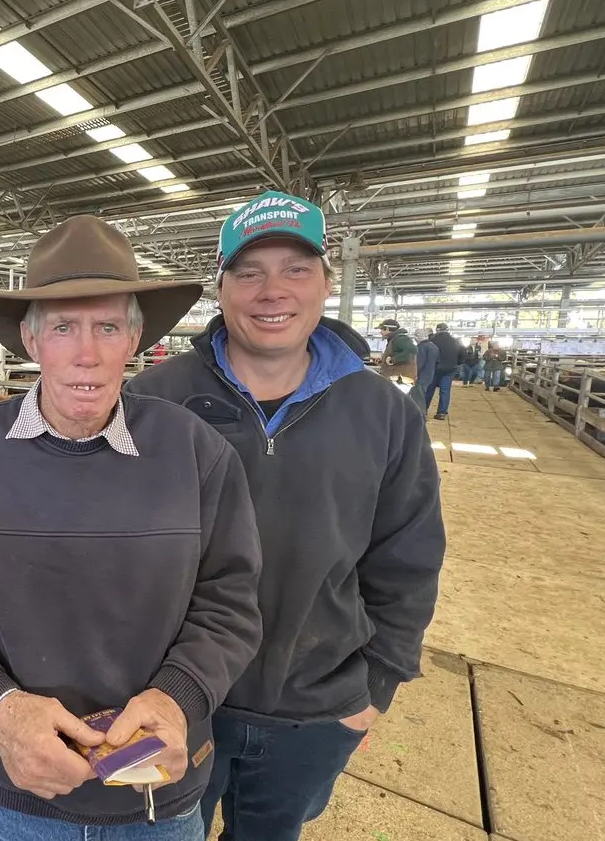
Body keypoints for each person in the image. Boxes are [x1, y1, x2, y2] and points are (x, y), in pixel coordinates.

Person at [0, 214, 264, 841]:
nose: (86, 353)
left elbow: (230, 599)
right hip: (14, 796)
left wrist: (177, 697)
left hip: (155, 795)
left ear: (136, 339)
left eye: (107, 327)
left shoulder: (195, 452)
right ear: (31, 342)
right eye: (63, 326)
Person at [125, 190, 446, 841]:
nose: (272, 290)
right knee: (147, 831)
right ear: (221, 287)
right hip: (166, 701)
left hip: (314, 708)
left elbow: (407, 561)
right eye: (249, 271)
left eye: (295, 268)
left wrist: (375, 686)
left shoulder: (384, 412)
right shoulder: (151, 399)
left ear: (325, 282)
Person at [425, 323, 461, 419]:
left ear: (437, 330)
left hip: (435, 368)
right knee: (445, 391)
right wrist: (456, 364)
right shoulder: (455, 341)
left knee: (429, 390)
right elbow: (463, 353)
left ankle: (423, 410)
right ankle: (442, 413)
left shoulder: (433, 340)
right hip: (450, 369)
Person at [376, 319, 417, 387]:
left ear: (387, 329)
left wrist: (393, 360)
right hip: (396, 378)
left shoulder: (400, 339)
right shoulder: (394, 339)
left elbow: (412, 350)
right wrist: (383, 360)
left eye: (381, 330)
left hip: (400, 380)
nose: (380, 332)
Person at [414, 330, 437, 416]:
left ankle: (421, 414)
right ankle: (423, 413)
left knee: (419, 397)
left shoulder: (421, 347)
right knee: (424, 394)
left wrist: (415, 374)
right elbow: (437, 361)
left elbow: (419, 363)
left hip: (421, 376)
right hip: (430, 374)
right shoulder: (434, 346)